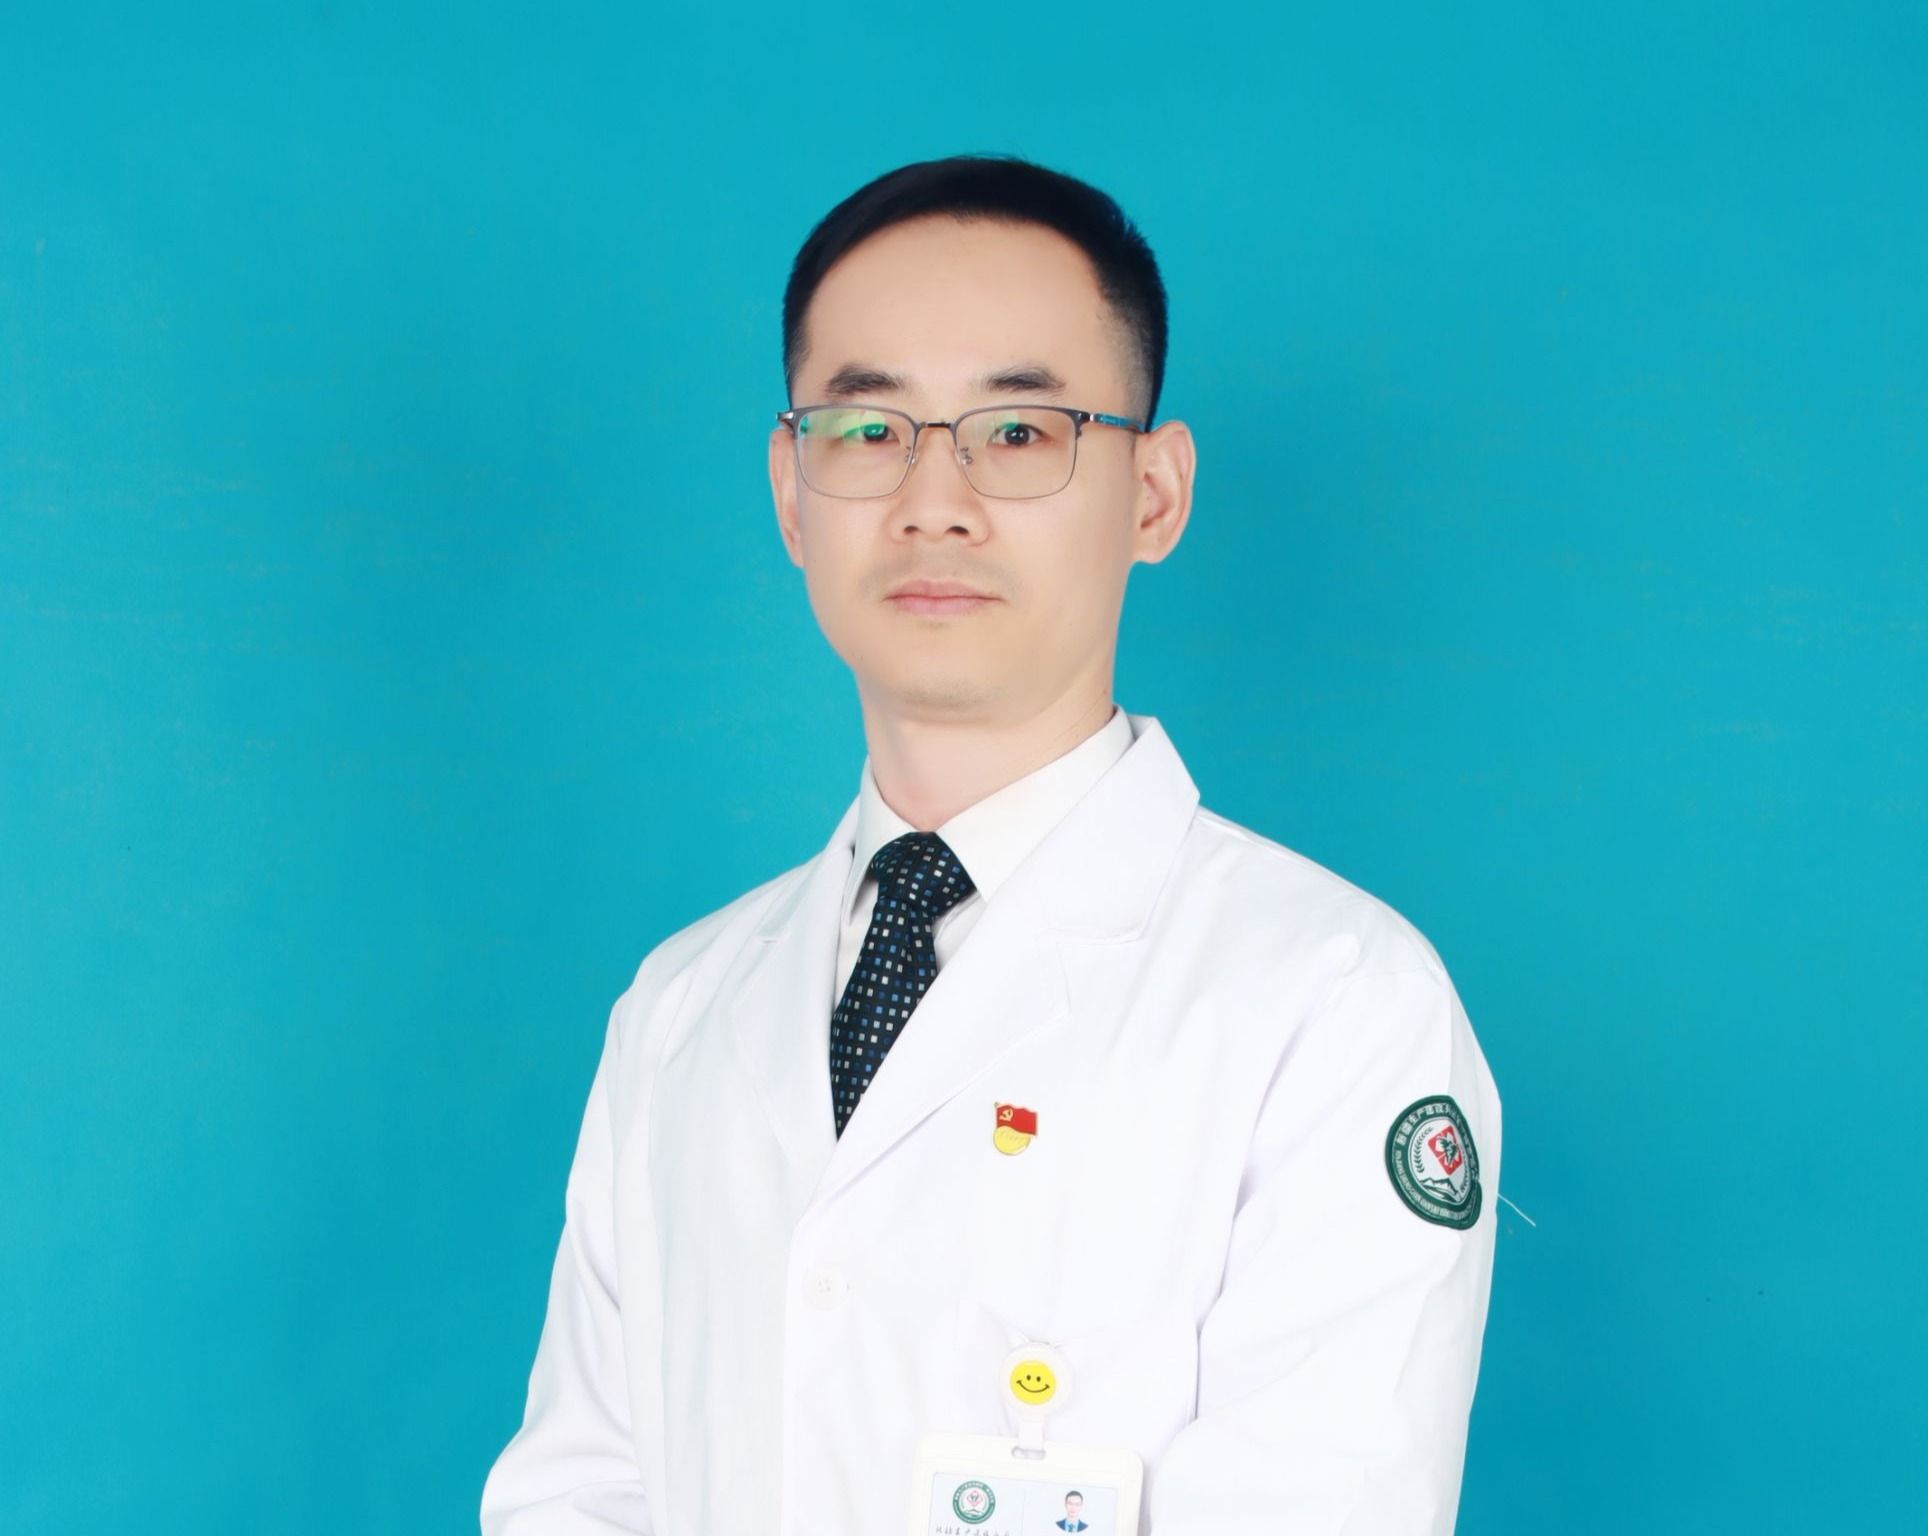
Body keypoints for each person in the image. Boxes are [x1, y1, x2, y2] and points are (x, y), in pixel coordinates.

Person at [481, 153, 1501, 1536]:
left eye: (1018, 432)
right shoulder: (679, 1008)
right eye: (867, 430)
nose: (933, 502)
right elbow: (583, 1493)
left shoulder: (1334, 1001)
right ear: (790, 492)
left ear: (1155, 494)